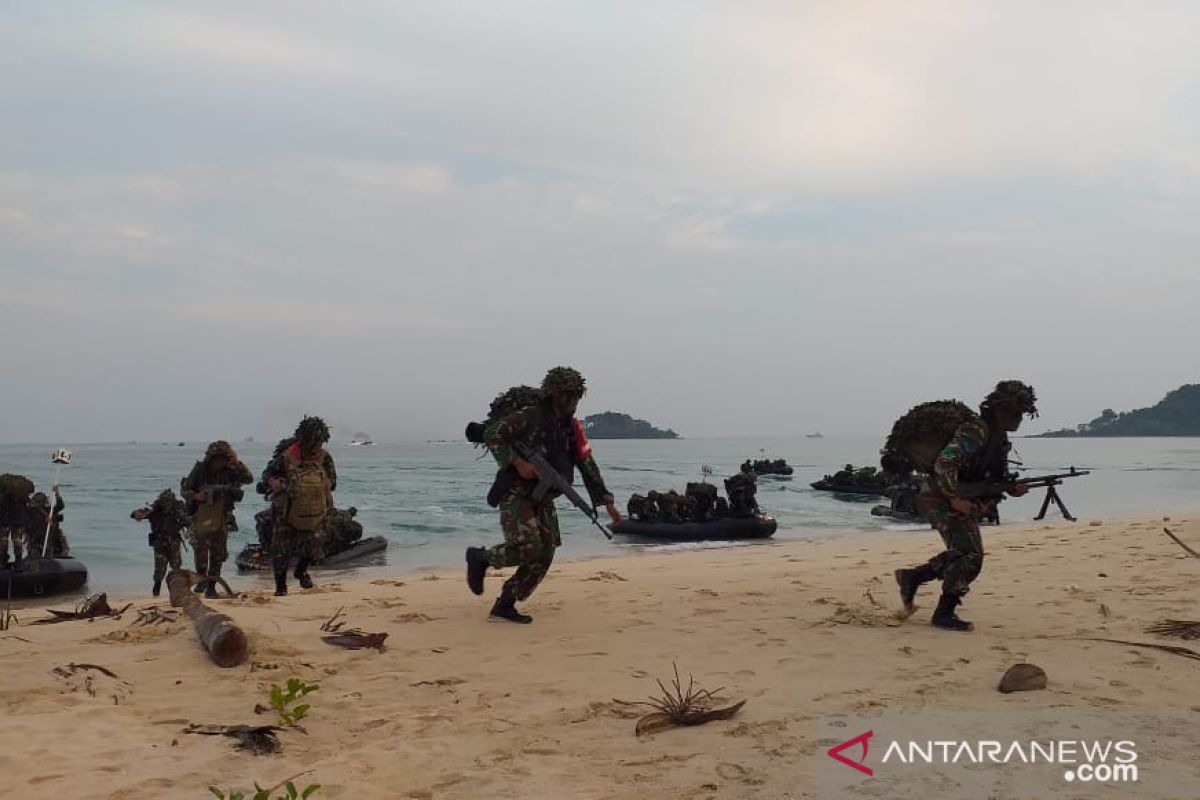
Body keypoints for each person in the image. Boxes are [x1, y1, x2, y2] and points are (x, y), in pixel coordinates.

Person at [465, 367, 622, 623]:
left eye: (575, 397)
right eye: (566, 396)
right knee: (528, 547)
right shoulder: (529, 416)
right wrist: (517, 463)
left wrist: (607, 502)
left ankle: (505, 604)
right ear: (553, 394)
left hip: (544, 496)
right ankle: (481, 558)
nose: (571, 402)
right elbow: (494, 434)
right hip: (516, 492)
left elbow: (586, 463)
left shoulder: (571, 428)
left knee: (546, 551)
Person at [894, 380, 1039, 631]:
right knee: (971, 556)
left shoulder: (999, 439)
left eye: (1022, 414)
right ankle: (942, 612)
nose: (1019, 419)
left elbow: (990, 479)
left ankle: (913, 578)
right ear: (999, 410)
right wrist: (954, 499)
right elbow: (944, 464)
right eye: (1015, 413)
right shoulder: (976, 431)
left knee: (964, 553)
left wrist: (1005, 492)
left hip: (956, 496)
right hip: (938, 496)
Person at [260, 416, 337, 596]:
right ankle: (281, 587)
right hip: (285, 510)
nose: (316, 446)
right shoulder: (287, 456)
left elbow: (333, 482)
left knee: (316, 544)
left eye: (319, 442)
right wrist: (274, 482)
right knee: (281, 549)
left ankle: (301, 571)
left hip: (314, 510)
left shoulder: (324, 458)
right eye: (314, 441)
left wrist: (324, 482)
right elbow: (265, 476)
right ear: (305, 438)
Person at [182, 441, 253, 598]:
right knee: (200, 551)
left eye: (223, 459)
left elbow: (249, 479)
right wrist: (196, 496)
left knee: (218, 553)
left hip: (221, 516)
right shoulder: (200, 470)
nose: (219, 463)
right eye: (217, 459)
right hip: (200, 515)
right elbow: (185, 490)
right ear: (210, 459)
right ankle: (201, 580)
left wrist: (237, 462)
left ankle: (212, 586)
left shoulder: (230, 470)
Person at [131, 489, 187, 596]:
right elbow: (135, 515)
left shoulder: (177, 510)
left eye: (168, 502)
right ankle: (157, 585)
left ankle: (176, 589)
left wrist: (189, 530)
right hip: (159, 541)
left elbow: (188, 520)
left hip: (174, 540)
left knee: (176, 566)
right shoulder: (154, 509)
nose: (166, 505)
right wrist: (138, 514)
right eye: (165, 502)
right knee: (160, 566)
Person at [26, 487, 68, 558]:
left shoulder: (49, 511)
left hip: (50, 538)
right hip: (37, 540)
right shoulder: (31, 512)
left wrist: (57, 494)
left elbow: (60, 506)